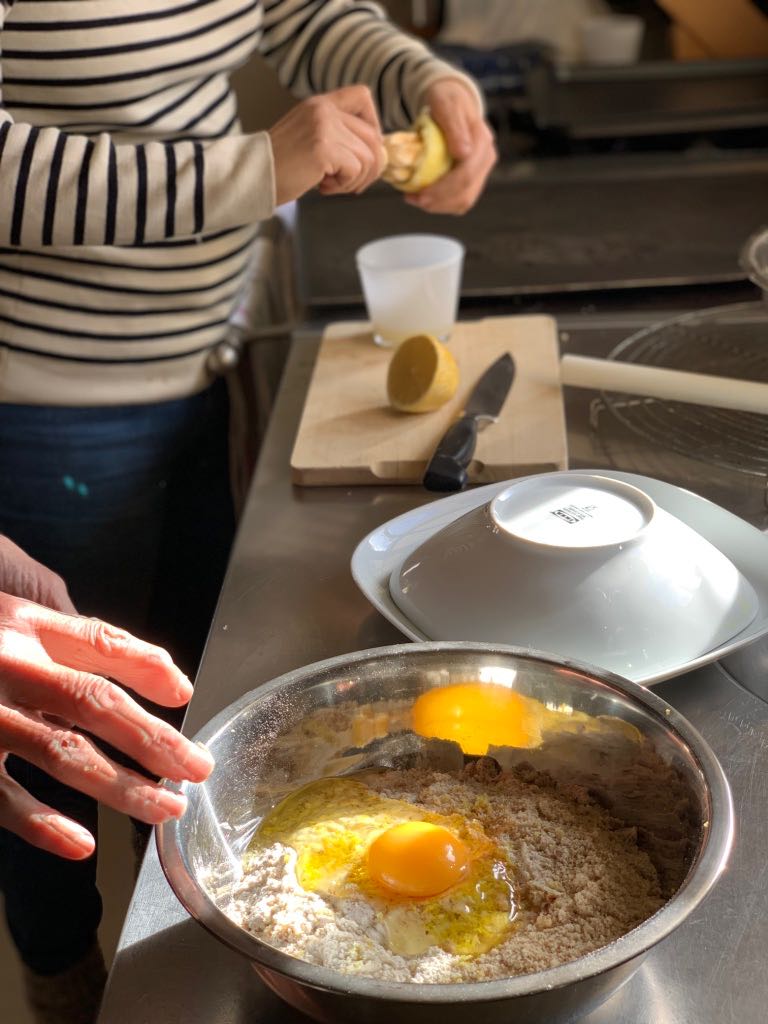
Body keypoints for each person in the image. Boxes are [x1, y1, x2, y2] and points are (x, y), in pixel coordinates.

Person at [0, 2, 496, 1021]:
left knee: (178, 703)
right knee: (52, 734)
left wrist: (414, 75)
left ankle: (170, 929)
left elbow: (297, 7)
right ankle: (58, 963)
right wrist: (251, 171)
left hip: (199, 366)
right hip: (50, 405)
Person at [0, 534, 213, 1022]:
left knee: (158, 707)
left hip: (183, 468)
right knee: (42, 772)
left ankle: (166, 962)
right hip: (38, 478)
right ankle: (66, 991)